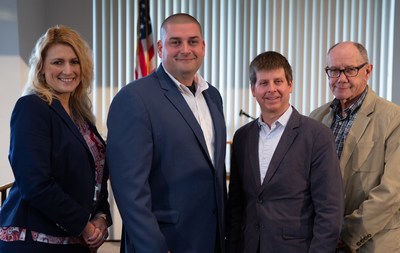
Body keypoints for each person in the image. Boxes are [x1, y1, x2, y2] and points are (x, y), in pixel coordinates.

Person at [106, 13, 227, 253]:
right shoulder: (134, 98)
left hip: (211, 240)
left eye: (193, 41)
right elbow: (130, 190)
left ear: (203, 46)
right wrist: (154, 247)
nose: (185, 49)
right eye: (175, 42)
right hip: (166, 242)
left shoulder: (212, 96)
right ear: (160, 48)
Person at [0, 25, 112, 253]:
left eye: (75, 61)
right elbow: (34, 183)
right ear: (41, 67)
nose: (68, 70)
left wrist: (101, 216)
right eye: (58, 62)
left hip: (74, 241)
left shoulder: (80, 115)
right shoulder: (32, 107)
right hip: (34, 242)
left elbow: (95, 175)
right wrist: (84, 225)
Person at [227, 51, 343, 253]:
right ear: (253, 89)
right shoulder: (242, 137)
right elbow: (237, 205)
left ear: (290, 85)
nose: (271, 89)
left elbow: (329, 211)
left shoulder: (317, 136)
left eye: (278, 81)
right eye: (263, 83)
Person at [310, 41, 400, 252]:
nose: (341, 78)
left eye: (350, 70)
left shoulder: (393, 118)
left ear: (367, 71)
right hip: (325, 241)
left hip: (372, 243)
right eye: (333, 70)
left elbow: (392, 192)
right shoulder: (315, 118)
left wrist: (346, 231)